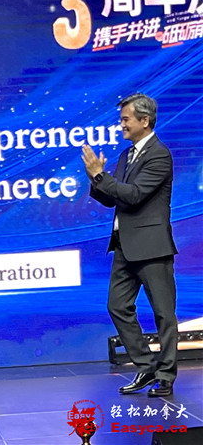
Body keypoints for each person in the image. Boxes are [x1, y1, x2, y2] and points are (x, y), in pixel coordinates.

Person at [81, 93, 178, 397]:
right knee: (117, 306)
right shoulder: (126, 155)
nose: (121, 125)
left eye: (126, 119)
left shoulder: (159, 155)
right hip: (124, 246)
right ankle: (146, 366)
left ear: (144, 121)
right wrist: (96, 180)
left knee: (163, 313)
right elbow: (113, 198)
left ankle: (165, 375)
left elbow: (135, 195)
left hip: (152, 247)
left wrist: (101, 176)